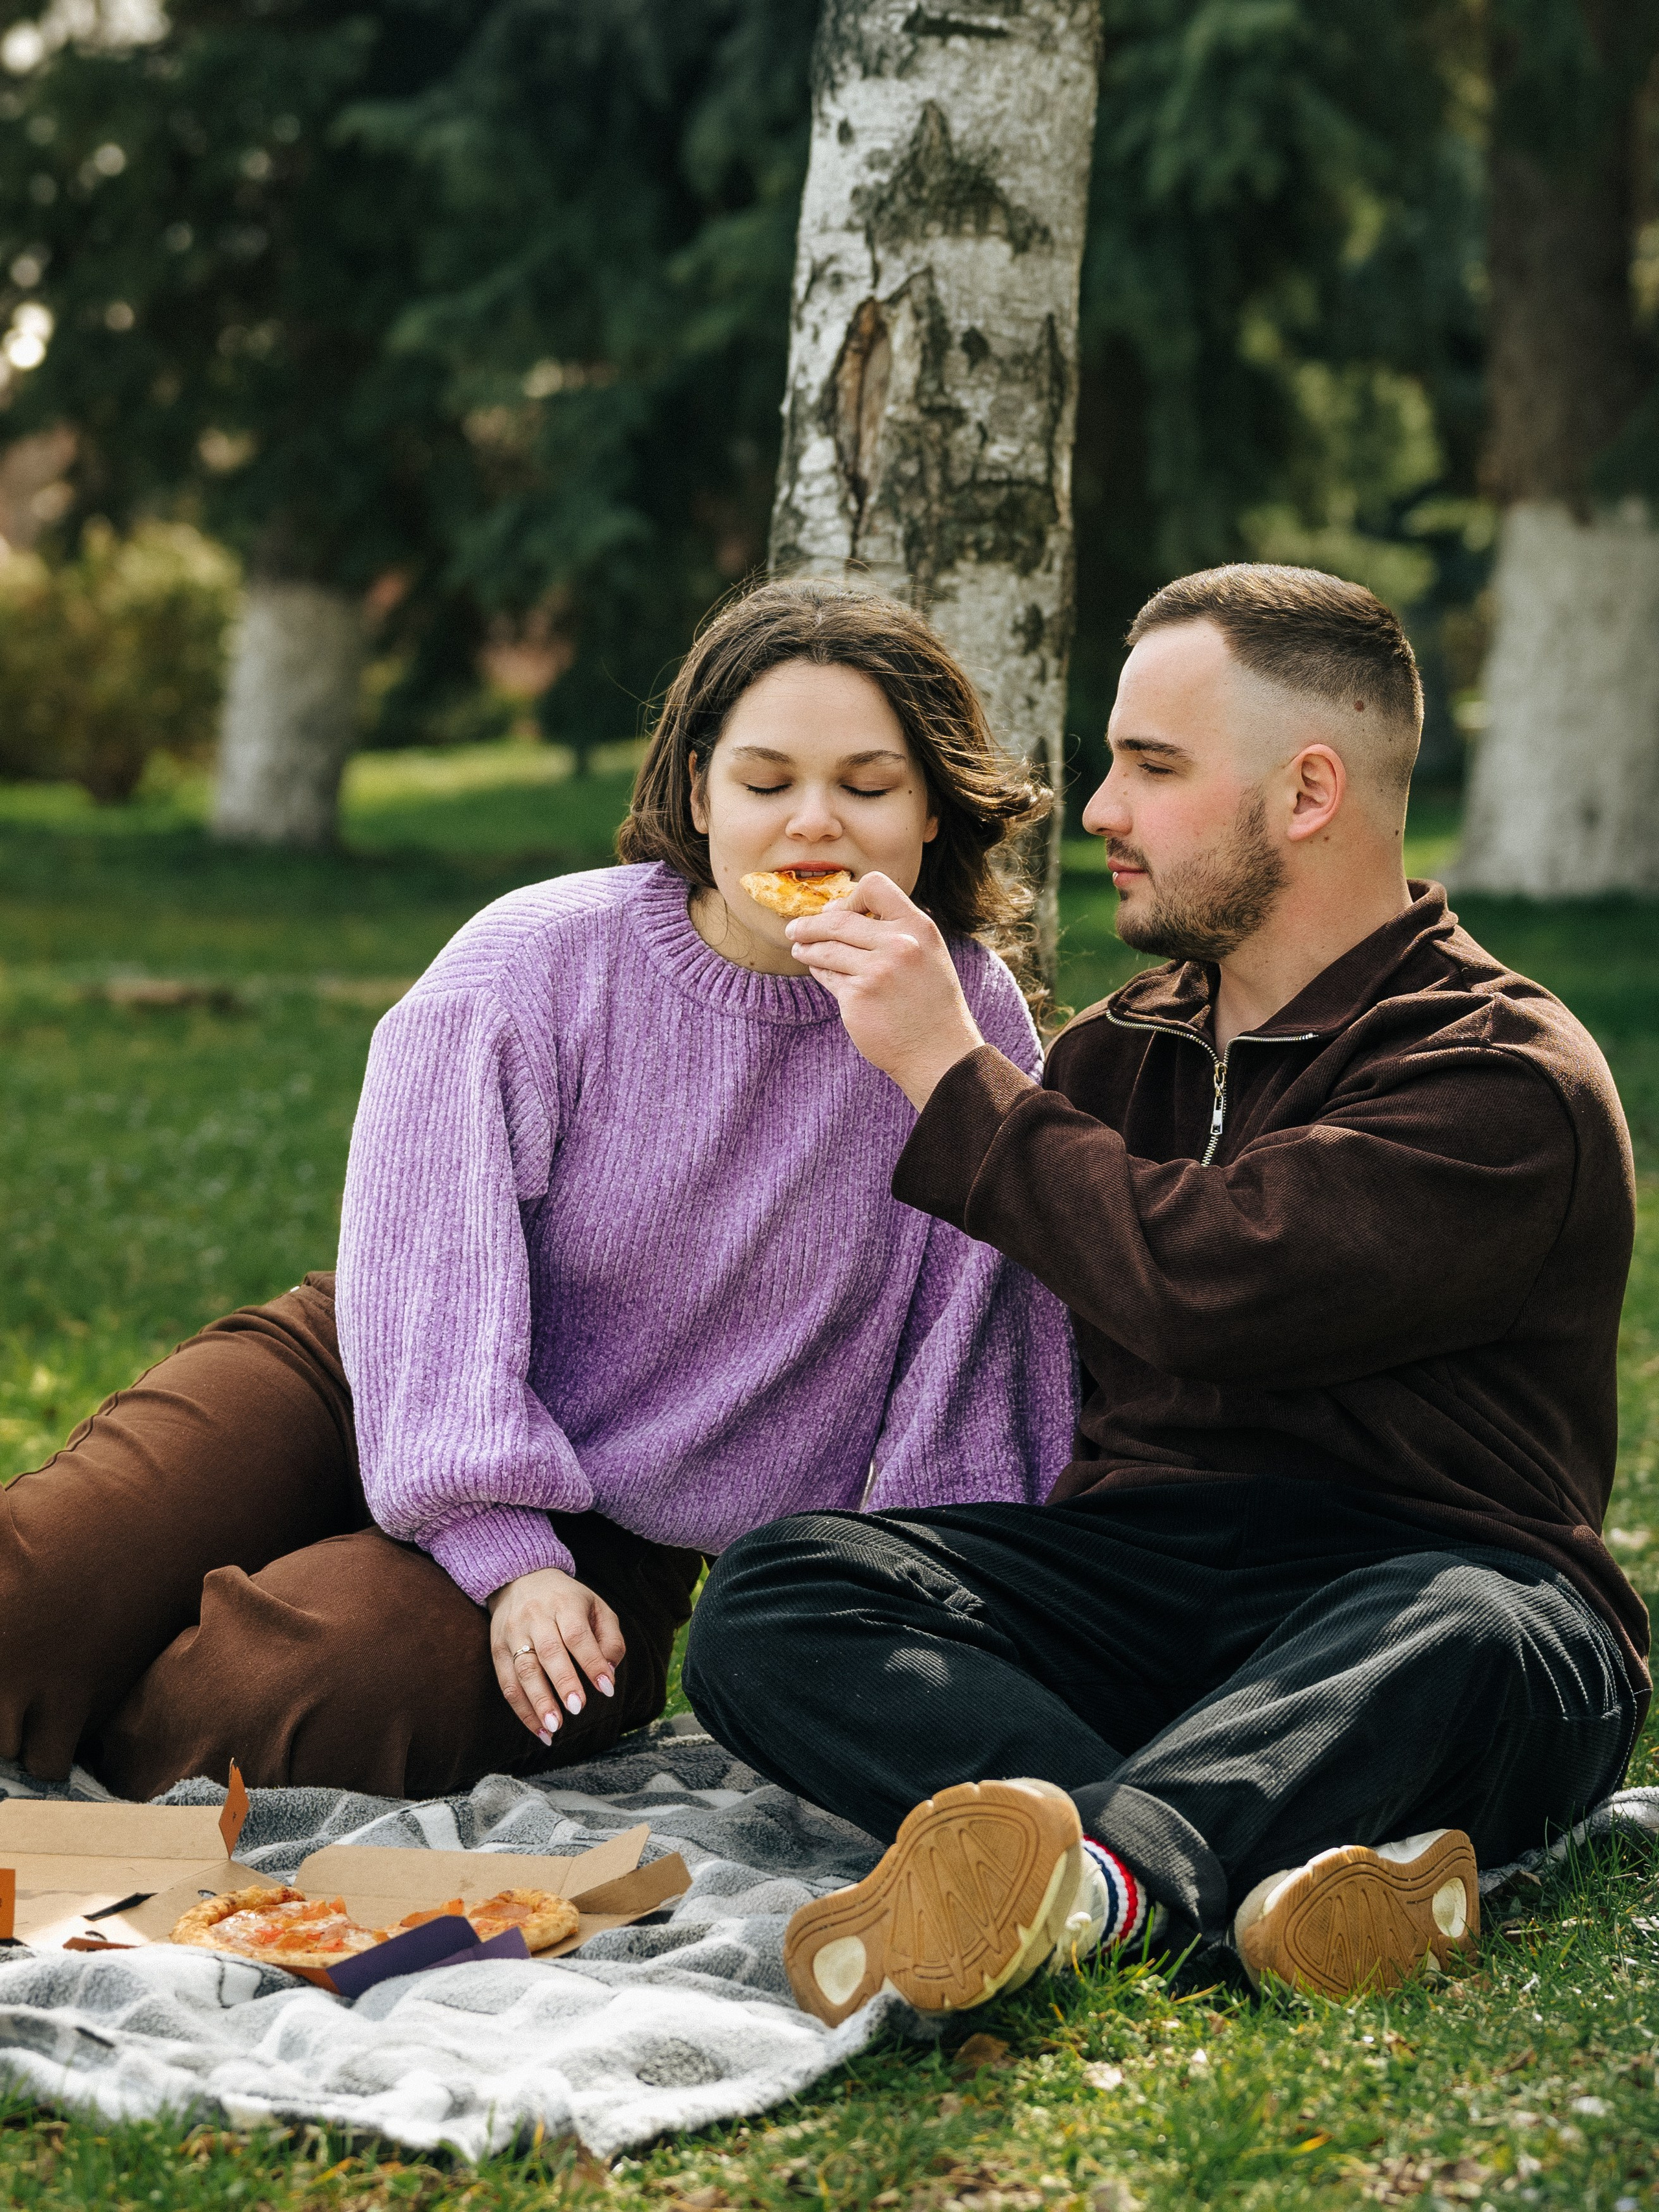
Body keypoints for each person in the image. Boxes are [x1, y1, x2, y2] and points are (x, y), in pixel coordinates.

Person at [682, 564, 1649, 2012]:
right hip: (1146, 1588)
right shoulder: (1111, 1060)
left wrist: (950, 1075)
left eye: (1148, 767)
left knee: (1469, 1630)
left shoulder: (1500, 1077)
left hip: (1421, 1593)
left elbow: (1217, 1282)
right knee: (777, 1595)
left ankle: (1101, 1885)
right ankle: (1229, 1887)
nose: (1098, 813)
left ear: (1304, 794)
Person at [0, 581, 1075, 1802]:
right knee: (36, 1587)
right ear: (696, 792)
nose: (811, 827)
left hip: (609, 1534)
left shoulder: (961, 1018)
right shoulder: (534, 963)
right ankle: (63, 1679)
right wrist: (492, 1541)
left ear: (932, 810)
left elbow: (978, 1356)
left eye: (868, 787)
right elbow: (429, 1272)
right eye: (766, 783)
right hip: (371, 1364)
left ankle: (74, 1787)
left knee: (290, 1699)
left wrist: (898, 1617)